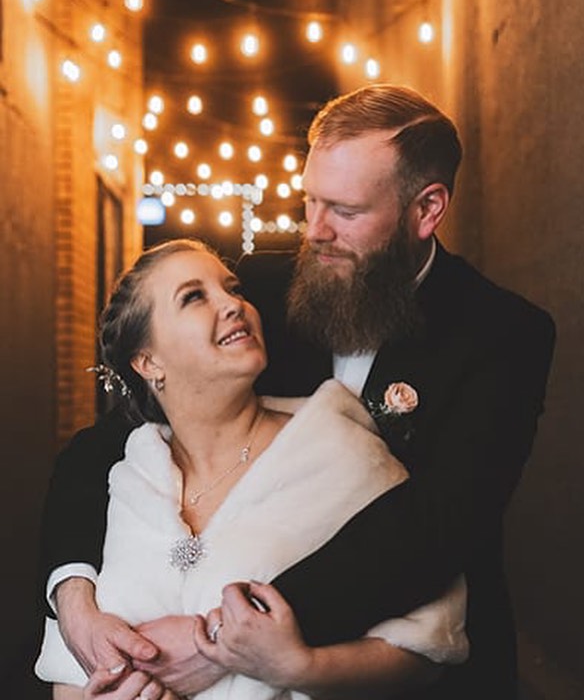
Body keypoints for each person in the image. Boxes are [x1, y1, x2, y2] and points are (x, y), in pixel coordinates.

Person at [39, 84, 555, 698]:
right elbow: (101, 451)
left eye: (345, 210)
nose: (315, 230)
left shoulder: (503, 334)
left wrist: (222, 639)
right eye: (309, 200)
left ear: (427, 209)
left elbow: (438, 529)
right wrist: (72, 595)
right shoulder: (254, 293)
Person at [36, 238, 469, 699]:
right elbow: (72, 665)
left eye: (233, 288)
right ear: (148, 362)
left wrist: (299, 667)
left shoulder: (337, 450)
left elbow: (425, 644)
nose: (233, 304)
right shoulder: (128, 474)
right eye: (194, 296)